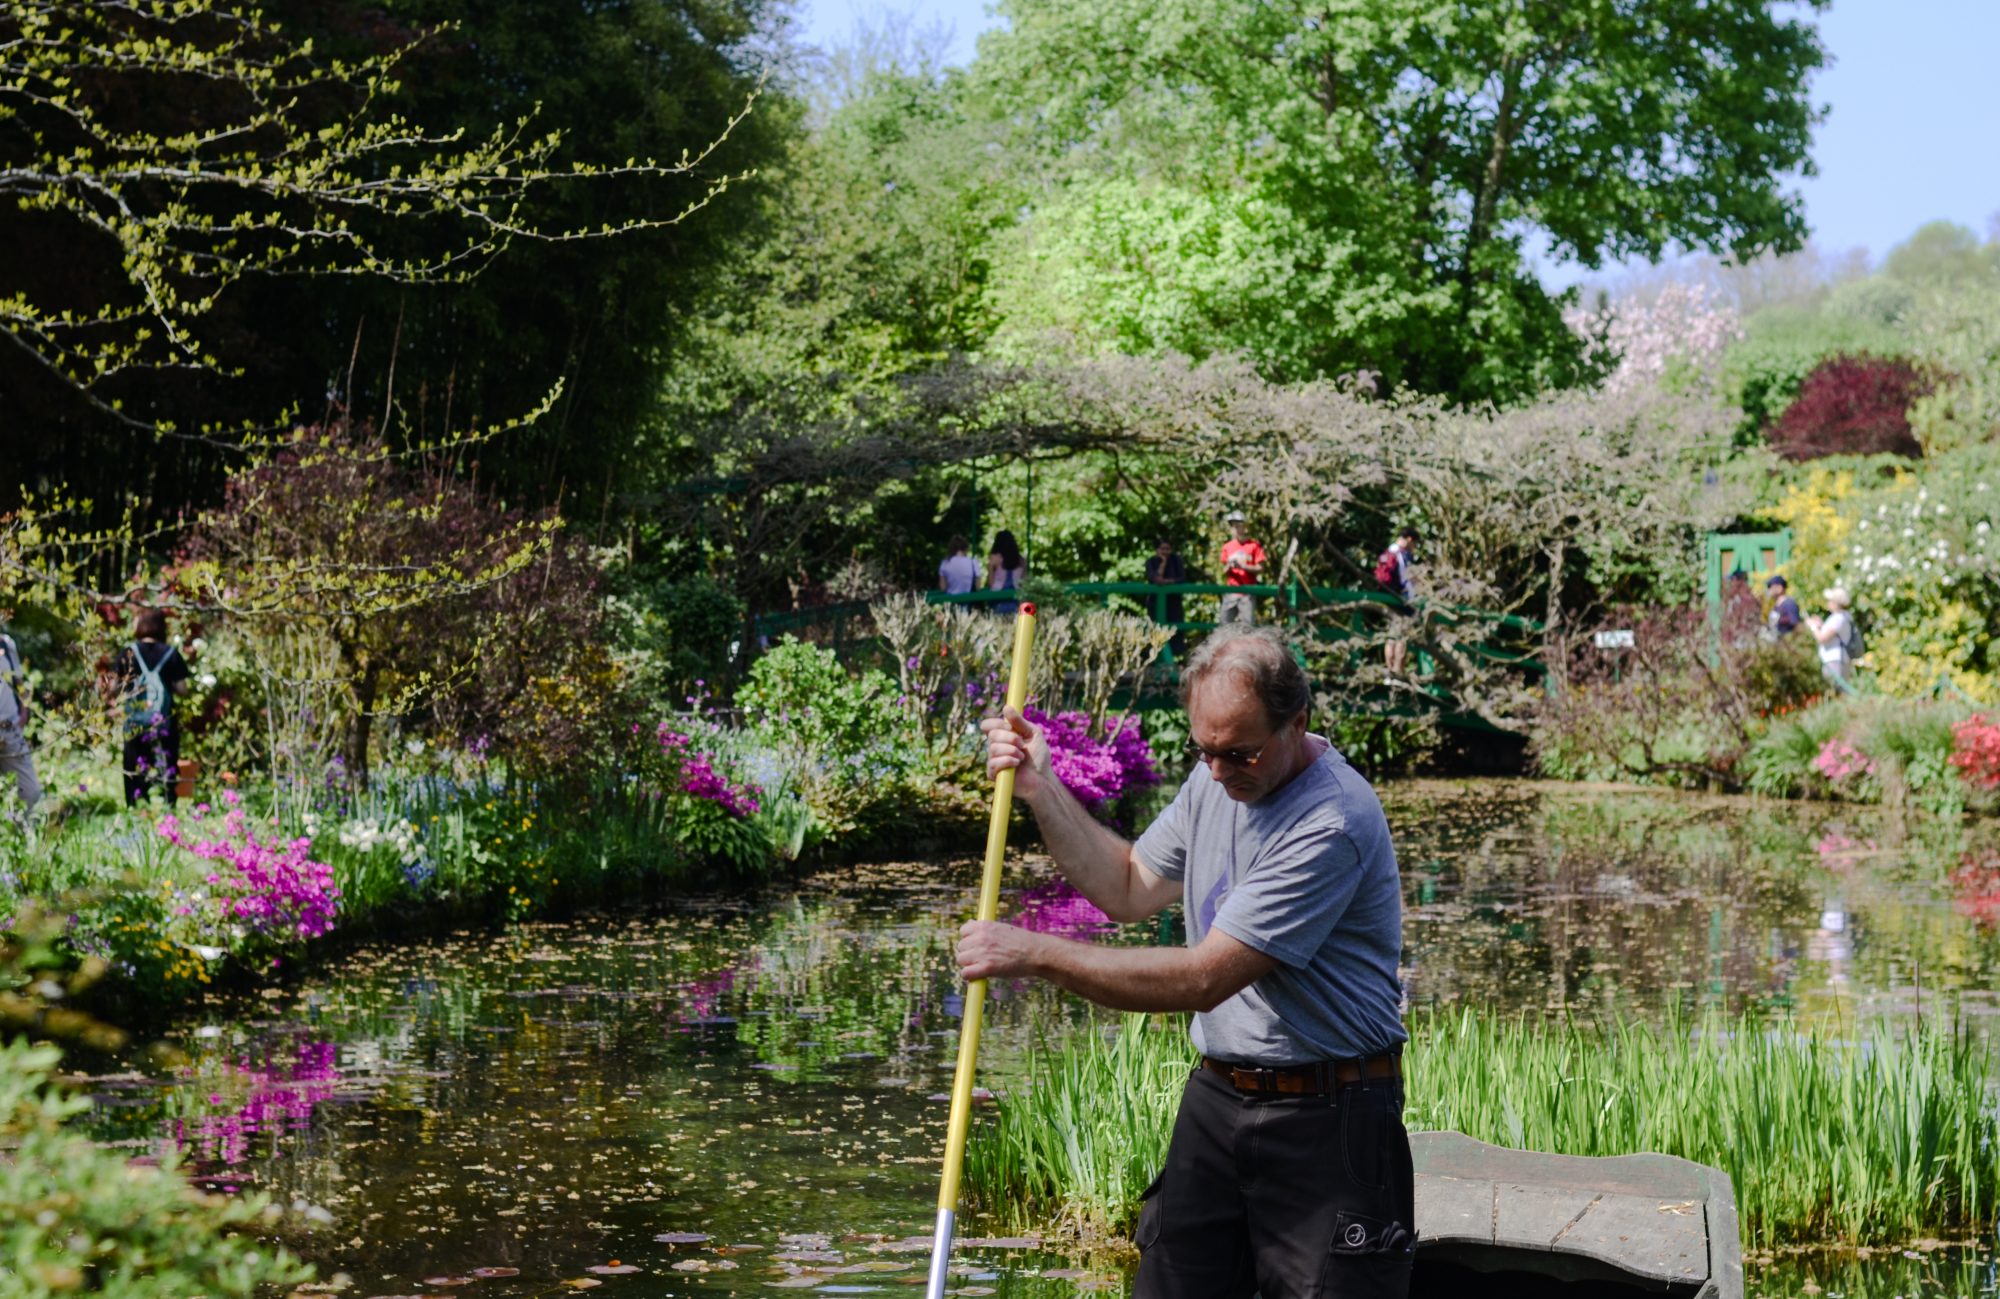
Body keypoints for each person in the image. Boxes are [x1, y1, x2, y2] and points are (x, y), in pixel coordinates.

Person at [968, 625, 1413, 1298]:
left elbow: (1205, 976)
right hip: (1219, 1099)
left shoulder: (1332, 821)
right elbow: (1126, 883)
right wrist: (1041, 788)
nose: (1216, 771)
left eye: (1239, 753)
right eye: (1202, 749)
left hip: (1330, 1114)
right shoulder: (1216, 778)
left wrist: (1034, 952)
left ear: (1299, 721)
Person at [114, 609, 191, 806]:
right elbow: (183, 689)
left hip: (135, 722)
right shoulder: (171, 653)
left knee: (134, 764)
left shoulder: (128, 652)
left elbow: (114, 688)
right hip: (164, 720)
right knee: (166, 762)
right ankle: (168, 805)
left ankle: (135, 804)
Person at [0, 613, 41, 824]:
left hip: (10, 729)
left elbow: (19, 682)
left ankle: (26, 842)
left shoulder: (6, 644)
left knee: (30, 791)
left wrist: (25, 711)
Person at [1373, 528, 1418, 675]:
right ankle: (1398, 672)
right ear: (1410, 539)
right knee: (1401, 637)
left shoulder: (1389, 552)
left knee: (1391, 636)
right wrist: (1414, 599)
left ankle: (1389, 672)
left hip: (1388, 599)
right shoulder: (1402, 555)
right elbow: (1407, 579)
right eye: (1415, 544)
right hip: (1402, 600)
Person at [1218, 511, 1265, 625]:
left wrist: (1243, 566)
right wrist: (1229, 566)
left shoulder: (1254, 546)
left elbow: (1261, 568)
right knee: (1224, 624)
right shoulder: (1227, 547)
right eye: (1234, 526)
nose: (1236, 529)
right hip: (1231, 591)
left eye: (1239, 526)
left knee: (1247, 626)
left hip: (1247, 592)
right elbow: (1223, 571)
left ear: (1244, 527)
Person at [1806, 587, 1858, 687]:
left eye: (1830, 600)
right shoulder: (1844, 616)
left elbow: (1822, 638)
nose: (1828, 602)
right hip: (1839, 659)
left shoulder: (1838, 618)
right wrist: (1821, 625)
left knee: (1834, 691)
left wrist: (1813, 626)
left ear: (1836, 602)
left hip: (1834, 660)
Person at [1145, 537, 1188, 654]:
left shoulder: (1176, 561)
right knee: (1155, 629)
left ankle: (1177, 657)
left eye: (1168, 549)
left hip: (1173, 603)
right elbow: (1156, 579)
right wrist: (1163, 563)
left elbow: (1181, 579)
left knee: (1176, 631)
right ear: (1157, 550)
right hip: (1156, 603)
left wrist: (1167, 582)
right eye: (1162, 548)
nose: (1165, 552)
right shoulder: (1151, 562)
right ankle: (1155, 655)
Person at [987, 530, 1025, 615]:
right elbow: (1023, 583)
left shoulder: (994, 559)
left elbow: (991, 583)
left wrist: (990, 567)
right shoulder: (1021, 560)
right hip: (1016, 599)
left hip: (998, 599)